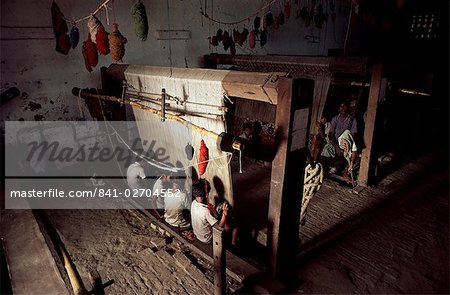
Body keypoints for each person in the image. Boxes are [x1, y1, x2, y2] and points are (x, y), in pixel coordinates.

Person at [190, 180, 238, 245]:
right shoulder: (205, 211)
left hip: (198, 235)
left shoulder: (194, 203)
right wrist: (224, 214)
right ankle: (233, 244)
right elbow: (218, 228)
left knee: (216, 217)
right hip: (208, 239)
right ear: (206, 193)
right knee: (235, 225)